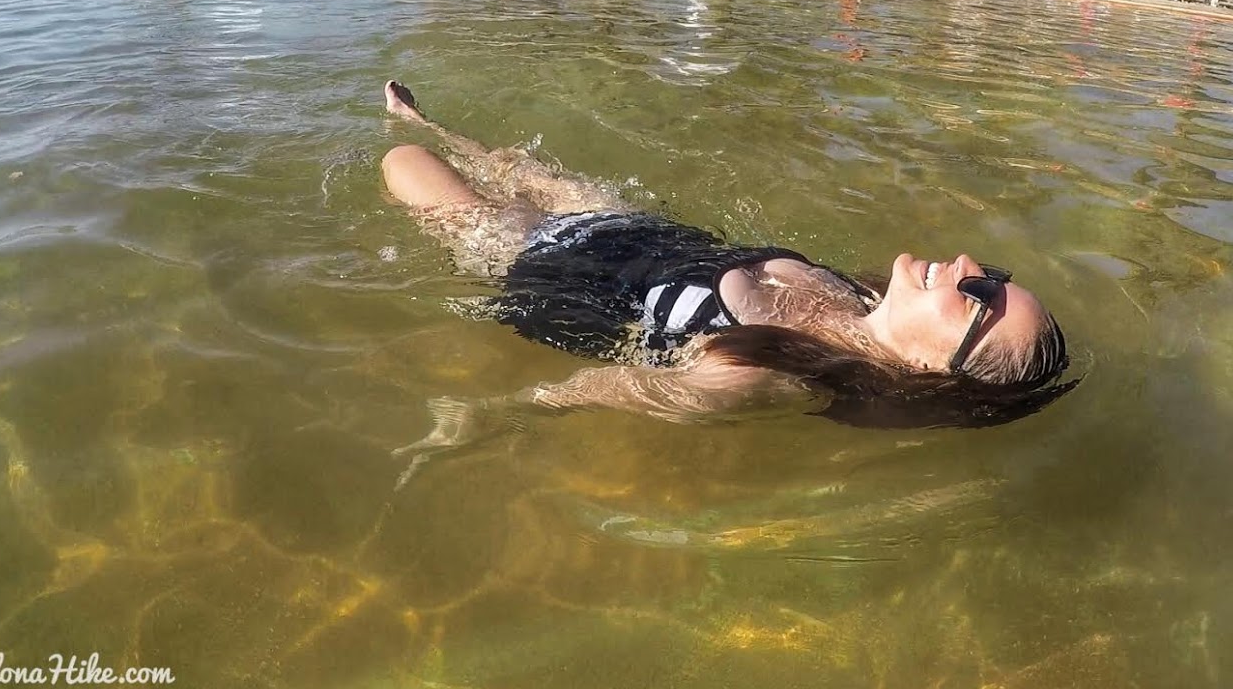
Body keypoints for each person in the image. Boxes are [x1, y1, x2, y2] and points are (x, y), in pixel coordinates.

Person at [379, 80, 1073, 434]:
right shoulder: (857, 299)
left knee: (404, 163)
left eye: (979, 296)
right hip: (631, 230)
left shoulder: (776, 378)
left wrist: (483, 415)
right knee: (515, 163)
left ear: (932, 370)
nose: (967, 263)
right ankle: (424, 118)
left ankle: (412, 135)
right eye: (996, 278)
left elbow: (621, 391)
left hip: (544, 261)